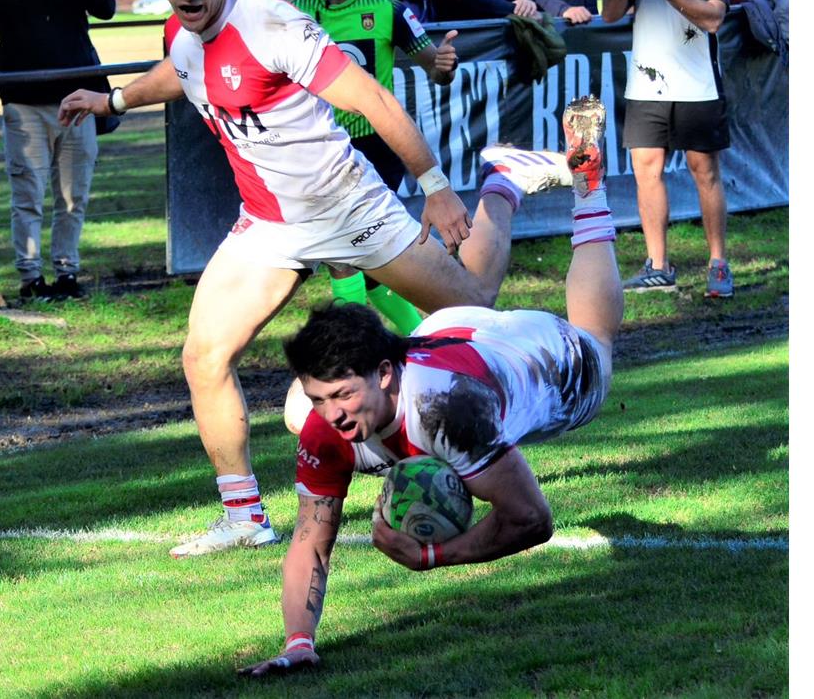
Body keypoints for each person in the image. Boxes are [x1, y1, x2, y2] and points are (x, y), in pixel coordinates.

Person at [59, 0, 503, 558]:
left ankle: (503, 197)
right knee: (203, 357)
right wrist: (114, 103)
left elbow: (374, 100)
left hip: (349, 207)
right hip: (269, 227)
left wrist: (434, 185)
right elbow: (180, 73)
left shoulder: (272, 25)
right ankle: (243, 515)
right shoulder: (182, 30)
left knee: (475, 321)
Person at [241, 96, 620, 677]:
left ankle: (589, 182)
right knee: (299, 419)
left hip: (532, 357)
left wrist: (434, 556)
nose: (334, 414)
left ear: (384, 375)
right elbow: (310, 540)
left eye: (343, 396)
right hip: (446, 336)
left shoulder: (451, 413)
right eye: (324, 397)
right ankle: (505, 181)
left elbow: (531, 520)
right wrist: (297, 642)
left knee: (596, 343)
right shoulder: (328, 423)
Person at [293, 0, 461, 334]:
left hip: (376, 147)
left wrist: (443, 67)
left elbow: (433, 67)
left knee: (344, 248)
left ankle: (352, 346)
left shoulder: (391, 11)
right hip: (322, 147)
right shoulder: (297, 15)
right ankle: (417, 338)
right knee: (360, 257)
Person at [0, 0, 116, 302]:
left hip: (78, 99)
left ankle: (67, 272)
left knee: (73, 195)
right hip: (23, 102)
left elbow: (107, 8)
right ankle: (30, 276)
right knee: (28, 193)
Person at [601, 0, 734, 298]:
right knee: (647, 169)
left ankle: (718, 264)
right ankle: (657, 265)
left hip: (698, 84)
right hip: (647, 83)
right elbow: (609, 14)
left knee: (704, 169)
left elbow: (713, 19)